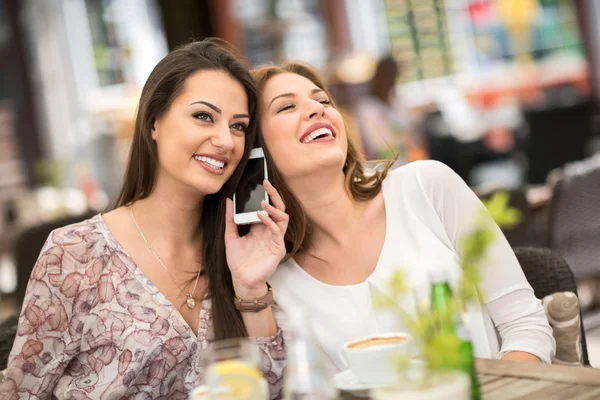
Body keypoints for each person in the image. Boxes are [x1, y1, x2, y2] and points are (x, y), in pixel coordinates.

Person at [0, 40, 289, 399]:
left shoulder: (237, 253)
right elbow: (18, 394)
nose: (225, 141)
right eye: (203, 116)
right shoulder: (74, 253)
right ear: (154, 122)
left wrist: (249, 288)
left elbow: (271, 389)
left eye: (239, 126)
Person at [252, 62, 555, 373]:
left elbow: (525, 325)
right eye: (287, 106)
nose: (317, 110)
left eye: (323, 100)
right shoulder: (273, 276)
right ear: (254, 149)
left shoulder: (427, 186)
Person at [354, 55, 425, 163]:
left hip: (407, 156)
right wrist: (403, 138)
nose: (394, 82)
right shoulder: (368, 108)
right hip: (386, 162)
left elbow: (407, 122)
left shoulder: (393, 100)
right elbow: (379, 144)